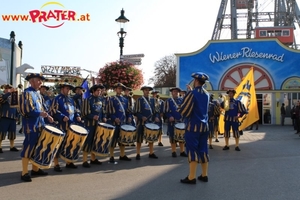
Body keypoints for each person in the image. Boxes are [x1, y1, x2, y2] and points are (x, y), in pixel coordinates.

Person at [19, 73, 54, 182]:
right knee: (28, 147)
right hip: (31, 126)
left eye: (40, 81)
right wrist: (40, 114)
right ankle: (24, 172)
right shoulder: (26, 93)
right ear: (31, 81)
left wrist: (48, 116)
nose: (41, 83)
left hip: (40, 125)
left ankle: (35, 169)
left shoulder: (38, 94)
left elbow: (43, 109)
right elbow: (25, 111)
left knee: (38, 147)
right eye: (38, 80)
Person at [178, 72, 210, 184]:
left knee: (192, 150)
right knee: (203, 150)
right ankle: (204, 175)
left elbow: (184, 110)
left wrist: (188, 94)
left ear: (196, 81)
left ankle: (192, 177)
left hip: (193, 126)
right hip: (205, 127)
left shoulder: (192, 93)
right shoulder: (207, 94)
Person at [50, 82, 82, 171]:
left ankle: (69, 162)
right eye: (67, 88)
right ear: (62, 89)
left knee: (70, 144)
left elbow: (76, 110)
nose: (68, 90)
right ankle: (56, 164)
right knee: (58, 145)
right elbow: (53, 110)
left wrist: (78, 115)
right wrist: (61, 116)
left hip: (71, 126)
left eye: (69, 89)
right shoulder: (57, 99)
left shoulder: (71, 100)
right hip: (60, 126)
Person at [81, 84, 106, 167]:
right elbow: (84, 113)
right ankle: (84, 160)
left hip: (98, 124)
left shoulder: (101, 100)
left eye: (100, 90)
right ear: (93, 91)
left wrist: (104, 118)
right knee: (88, 141)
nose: (99, 92)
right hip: (89, 124)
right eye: (98, 90)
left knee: (95, 141)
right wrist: (92, 116)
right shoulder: (87, 100)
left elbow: (102, 111)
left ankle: (93, 159)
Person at [107, 83, 133, 163]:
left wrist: (129, 117)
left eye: (121, 88)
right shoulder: (111, 99)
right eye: (118, 88)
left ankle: (122, 155)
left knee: (122, 140)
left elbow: (128, 111)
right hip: (114, 123)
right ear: (115, 89)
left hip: (123, 123)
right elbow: (109, 112)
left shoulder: (125, 100)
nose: (120, 90)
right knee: (113, 140)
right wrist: (114, 118)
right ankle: (111, 156)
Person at [134, 86, 160, 160]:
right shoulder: (139, 100)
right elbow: (136, 112)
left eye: (148, 90)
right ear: (143, 91)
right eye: (146, 90)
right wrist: (141, 117)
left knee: (151, 138)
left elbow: (156, 111)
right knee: (139, 138)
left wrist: (156, 116)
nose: (147, 92)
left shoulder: (153, 100)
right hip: (141, 122)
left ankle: (151, 153)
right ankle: (138, 154)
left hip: (151, 122)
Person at [164, 87, 187, 157]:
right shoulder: (168, 101)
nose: (176, 93)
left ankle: (182, 151)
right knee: (172, 136)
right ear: (172, 92)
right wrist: (170, 116)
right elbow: (166, 111)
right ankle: (173, 151)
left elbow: (184, 110)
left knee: (181, 137)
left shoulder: (182, 100)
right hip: (172, 122)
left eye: (177, 92)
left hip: (181, 121)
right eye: (174, 91)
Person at [0, 84, 19, 153]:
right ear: (5, 89)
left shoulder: (13, 97)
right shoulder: (2, 95)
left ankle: (12, 146)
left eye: (10, 88)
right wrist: (8, 93)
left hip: (13, 117)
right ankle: (0, 147)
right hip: (4, 117)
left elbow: (16, 107)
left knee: (12, 133)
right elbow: (1, 100)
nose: (9, 89)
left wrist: (17, 116)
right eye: (7, 88)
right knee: (2, 132)